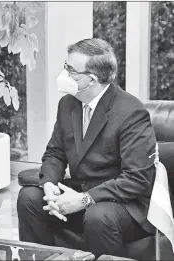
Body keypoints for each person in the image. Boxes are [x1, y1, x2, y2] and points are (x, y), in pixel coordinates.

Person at [17, 38, 156, 257]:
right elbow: (55, 152)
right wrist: (49, 184)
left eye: (70, 70)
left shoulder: (131, 112)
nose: (64, 74)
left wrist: (84, 200)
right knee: (29, 198)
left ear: (91, 79)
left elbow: (137, 179)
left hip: (120, 204)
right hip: (79, 192)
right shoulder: (68, 104)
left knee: (97, 216)